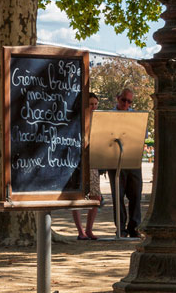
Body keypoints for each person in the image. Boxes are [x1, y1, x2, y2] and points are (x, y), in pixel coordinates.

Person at [105, 88, 143, 238]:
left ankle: (134, 227)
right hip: (115, 161)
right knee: (118, 196)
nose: (126, 104)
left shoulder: (135, 116)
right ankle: (121, 228)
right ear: (117, 98)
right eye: (123, 100)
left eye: (129, 101)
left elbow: (142, 134)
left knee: (135, 196)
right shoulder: (109, 116)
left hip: (132, 161)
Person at [72, 92, 101, 240]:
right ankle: (80, 231)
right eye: (91, 104)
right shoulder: (77, 120)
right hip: (77, 161)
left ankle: (89, 229)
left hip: (93, 160)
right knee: (76, 196)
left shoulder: (98, 121)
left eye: (96, 104)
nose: (94, 107)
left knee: (96, 196)